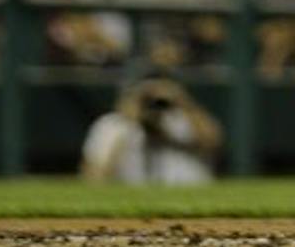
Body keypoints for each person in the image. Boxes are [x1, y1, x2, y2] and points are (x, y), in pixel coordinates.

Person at [80, 76, 222, 184]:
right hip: (135, 195)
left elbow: (213, 141)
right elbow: (95, 172)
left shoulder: (182, 119)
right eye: (146, 98)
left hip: (191, 191)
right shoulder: (114, 124)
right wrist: (133, 117)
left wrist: (181, 101)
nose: (153, 102)